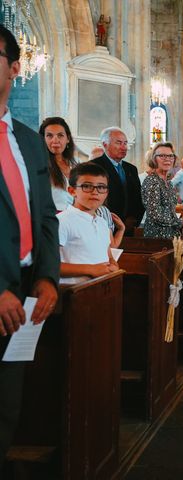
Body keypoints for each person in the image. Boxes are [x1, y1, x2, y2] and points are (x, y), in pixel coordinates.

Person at [0, 25, 60, 466]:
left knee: (6, 410)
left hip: (23, 294)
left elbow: (43, 217)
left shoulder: (26, 140)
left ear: (14, 68)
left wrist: (45, 275)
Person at [57, 163, 119, 284]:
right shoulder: (62, 221)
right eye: (87, 186)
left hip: (101, 289)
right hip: (73, 292)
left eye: (101, 187)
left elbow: (109, 256)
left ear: (106, 192)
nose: (95, 192)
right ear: (72, 191)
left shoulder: (102, 222)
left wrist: (113, 265)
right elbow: (47, 265)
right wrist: (91, 269)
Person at [92, 126, 145, 233]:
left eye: (125, 143)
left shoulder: (131, 169)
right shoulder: (94, 167)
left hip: (130, 226)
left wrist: (134, 219)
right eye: (119, 143)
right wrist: (112, 220)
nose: (123, 147)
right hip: (104, 225)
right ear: (105, 144)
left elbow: (139, 197)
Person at [142, 142, 183, 239]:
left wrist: (180, 224)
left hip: (171, 234)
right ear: (154, 159)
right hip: (157, 236)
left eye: (170, 156)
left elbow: (169, 211)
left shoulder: (168, 182)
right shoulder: (152, 181)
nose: (167, 159)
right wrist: (179, 222)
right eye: (162, 156)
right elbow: (155, 215)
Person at [39, 117, 77, 211]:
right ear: (42, 139)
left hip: (75, 217)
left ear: (67, 139)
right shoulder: (39, 165)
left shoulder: (76, 163)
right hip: (53, 218)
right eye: (49, 135)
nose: (55, 140)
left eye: (60, 135)